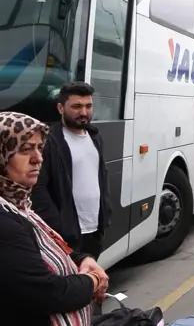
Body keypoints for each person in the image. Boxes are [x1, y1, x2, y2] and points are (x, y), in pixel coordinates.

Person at [0, 111, 109, 326]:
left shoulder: (20, 205)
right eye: (25, 149)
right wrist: (94, 280)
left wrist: (81, 259)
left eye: (40, 148)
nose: (38, 158)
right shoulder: (5, 220)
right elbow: (48, 293)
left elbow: (43, 247)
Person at [32, 81, 112, 259]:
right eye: (76, 106)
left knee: (91, 274)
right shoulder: (49, 141)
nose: (84, 112)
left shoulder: (95, 137)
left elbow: (101, 176)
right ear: (60, 108)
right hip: (65, 234)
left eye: (88, 106)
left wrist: (106, 213)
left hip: (94, 231)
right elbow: (38, 188)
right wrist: (58, 226)